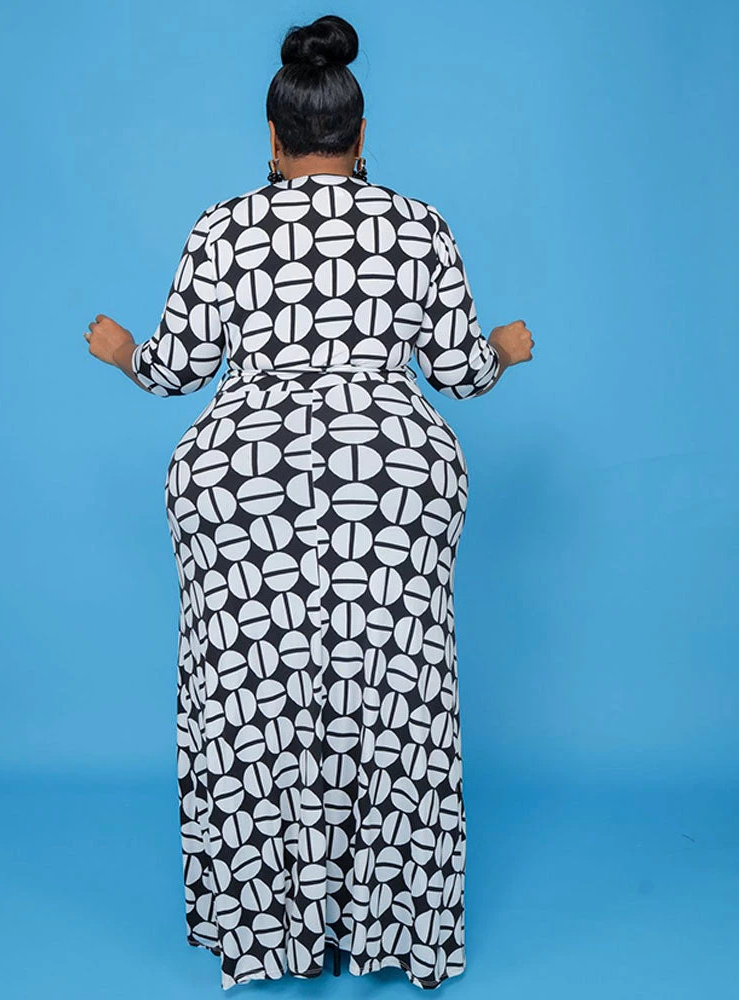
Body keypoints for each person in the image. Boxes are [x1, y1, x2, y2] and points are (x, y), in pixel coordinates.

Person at [84, 13, 533, 991]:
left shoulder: (222, 227)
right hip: (393, 477)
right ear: (360, 134)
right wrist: (505, 346)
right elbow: (460, 373)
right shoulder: (418, 226)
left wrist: (122, 353)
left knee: (251, 696)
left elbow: (174, 371)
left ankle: (264, 927)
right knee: (393, 694)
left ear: (273, 137)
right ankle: (391, 927)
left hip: (239, 478)